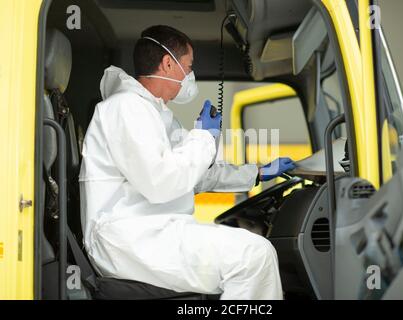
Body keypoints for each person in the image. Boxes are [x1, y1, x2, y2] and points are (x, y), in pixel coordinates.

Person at [79, 25, 296, 300]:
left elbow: (191, 176)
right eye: (188, 66)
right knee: (254, 256)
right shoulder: (126, 108)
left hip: (151, 232)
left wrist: (256, 173)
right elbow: (163, 182)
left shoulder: (154, 113)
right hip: (129, 238)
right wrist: (203, 136)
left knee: (252, 254)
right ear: (168, 64)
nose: (190, 75)